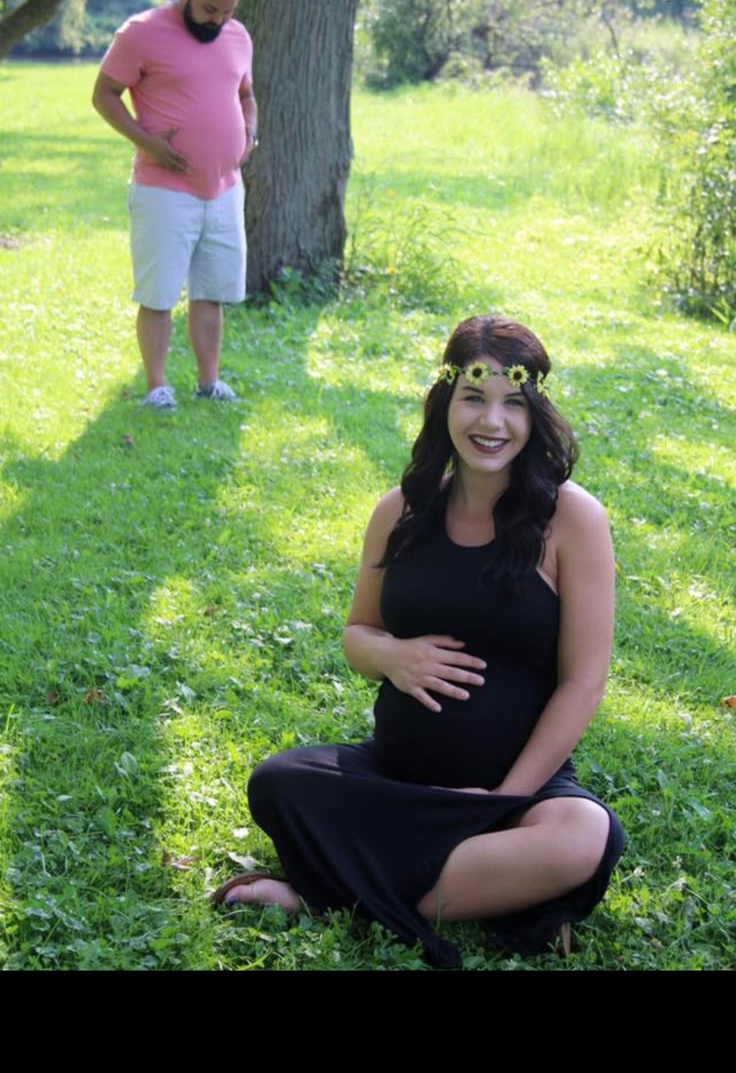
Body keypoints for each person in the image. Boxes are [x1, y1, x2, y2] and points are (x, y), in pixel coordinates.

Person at [213, 315, 625, 966]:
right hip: (397, 781)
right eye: (474, 398)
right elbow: (357, 633)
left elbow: (584, 681)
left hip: (519, 795)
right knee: (278, 781)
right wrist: (389, 655)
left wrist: (503, 801)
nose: (492, 422)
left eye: (513, 404)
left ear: (535, 413)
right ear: (444, 402)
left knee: (583, 835)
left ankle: (329, 892)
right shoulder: (399, 511)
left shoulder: (574, 520)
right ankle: (481, 889)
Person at [92, 0, 257, 410]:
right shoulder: (141, 32)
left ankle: (208, 382)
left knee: (212, 292)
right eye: (209, 10)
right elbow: (103, 94)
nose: (218, 20)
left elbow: (246, 95)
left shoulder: (238, 36)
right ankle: (156, 387)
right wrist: (145, 141)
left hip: (224, 188)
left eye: (227, 12)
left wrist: (251, 131)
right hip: (163, 188)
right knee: (160, 293)